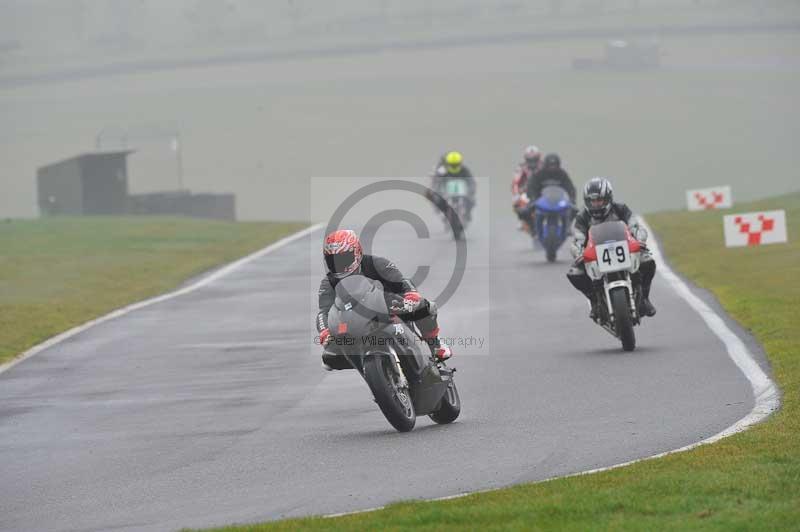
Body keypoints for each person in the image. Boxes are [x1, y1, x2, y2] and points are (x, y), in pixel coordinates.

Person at [316, 229, 453, 370]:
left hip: (388, 306)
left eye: (344, 258)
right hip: (354, 321)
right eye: (333, 260)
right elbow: (323, 312)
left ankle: (435, 344)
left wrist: (411, 295)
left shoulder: (376, 263)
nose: (339, 265)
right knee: (329, 359)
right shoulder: (328, 282)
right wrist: (325, 332)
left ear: (357, 252)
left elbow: (402, 282)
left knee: (424, 307)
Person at [567, 177, 657, 318]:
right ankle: (595, 301)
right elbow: (578, 237)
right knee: (575, 273)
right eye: (592, 201)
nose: (596, 204)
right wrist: (578, 251)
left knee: (647, 261)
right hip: (594, 254)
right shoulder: (582, 217)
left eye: (599, 200)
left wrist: (640, 239)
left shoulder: (621, 208)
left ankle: (644, 298)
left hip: (624, 248)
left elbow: (635, 225)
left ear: (608, 198)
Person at [429, 150, 477, 221]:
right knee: (437, 200)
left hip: (461, 190)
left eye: (456, 164)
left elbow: (471, 180)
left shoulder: (464, 170)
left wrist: (471, 189)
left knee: (471, 200)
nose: (454, 166)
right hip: (446, 190)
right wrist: (436, 188)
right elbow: (436, 180)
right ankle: (442, 212)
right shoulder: (442, 170)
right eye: (452, 165)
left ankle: (467, 214)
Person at [512, 145, 542, 227]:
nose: (532, 162)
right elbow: (515, 183)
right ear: (526, 159)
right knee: (516, 202)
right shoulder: (521, 168)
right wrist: (516, 194)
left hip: (541, 190)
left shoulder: (544, 166)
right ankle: (521, 220)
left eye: (534, 159)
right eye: (530, 160)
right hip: (526, 191)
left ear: (538, 158)